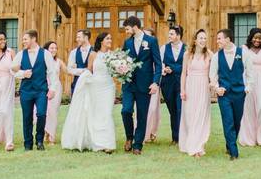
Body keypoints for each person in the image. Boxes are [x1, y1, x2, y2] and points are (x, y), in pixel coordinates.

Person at [61, 32, 117, 152]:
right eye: (108, 38)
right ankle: (98, 142)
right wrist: (84, 80)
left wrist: (122, 69)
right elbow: (89, 70)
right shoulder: (93, 55)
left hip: (108, 86)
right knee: (97, 114)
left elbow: (114, 72)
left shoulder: (113, 55)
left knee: (107, 113)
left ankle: (107, 144)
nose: (110, 40)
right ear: (101, 41)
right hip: (96, 87)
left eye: (110, 38)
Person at [209, 29, 254, 160]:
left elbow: (250, 72)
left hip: (240, 93)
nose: (217, 41)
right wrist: (217, 88)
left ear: (228, 39)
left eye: (219, 38)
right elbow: (212, 75)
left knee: (237, 122)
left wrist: (248, 87)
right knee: (228, 121)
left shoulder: (243, 53)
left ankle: (229, 144)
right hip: (224, 95)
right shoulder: (217, 56)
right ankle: (234, 152)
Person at [11, 30, 59, 151]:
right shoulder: (21, 54)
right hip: (26, 91)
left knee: (41, 114)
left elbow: (52, 72)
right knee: (27, 117)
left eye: (25, 39)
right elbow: (12, 70)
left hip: (41, 90)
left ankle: (39, 141)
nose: (23, 42)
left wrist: (52, 89)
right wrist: (23, 73)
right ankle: (28, 143)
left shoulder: (45, 54)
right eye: (23, 39)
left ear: (33, 39)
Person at [120, 16, 162, 155]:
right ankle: (129, 137)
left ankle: (137, 145)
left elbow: (158, 63)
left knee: (142, 115)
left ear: (134, 27)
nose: (126, 31)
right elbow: (122, 60)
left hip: (145, 84)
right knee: (125, 110)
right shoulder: (127, 43)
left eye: (127, 28)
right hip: (128, 83)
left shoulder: (151, 41)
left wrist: (155, 82)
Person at [178, 29, 212, 158]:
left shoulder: (209, 54)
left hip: (203, 87)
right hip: (190, 86)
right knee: (190, 117)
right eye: (201, 38)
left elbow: (215, 70)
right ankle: (190, 143)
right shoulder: (187, 54)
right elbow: (183, 73)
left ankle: (197, 146)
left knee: (201, 116)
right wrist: (182, 90)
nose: (203, 40)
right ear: (195, 40)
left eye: (205, 38)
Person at [159, 25, 185, 145]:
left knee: (180, 109)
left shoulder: (187, 48)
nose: (169, 36)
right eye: (169, 34)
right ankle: (175, 137)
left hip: (181, 83)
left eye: (172, 34)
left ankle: (181, 137)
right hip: (167, 84)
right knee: (172, 110)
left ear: (178, 36)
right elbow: (159, 63)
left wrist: (173, 69)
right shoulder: (164, 48)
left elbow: (187, 66)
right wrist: (164, 69)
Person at [43, 41, 65, 144]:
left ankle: (51, 136)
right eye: (51, 48)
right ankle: (44, 133)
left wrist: (78, 69)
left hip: (56, 88)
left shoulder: (59, 61)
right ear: (46, 49)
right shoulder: (42, 60)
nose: (54, 50)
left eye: (55, 48)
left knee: (53, 112)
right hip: (44, 87)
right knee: (44, 112)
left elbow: (67, 70)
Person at [67, 29, 93, 94]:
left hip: (92, 85)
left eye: (79, 37)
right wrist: (83, 70)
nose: (77, 39)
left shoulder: (95, 51)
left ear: (86, 37)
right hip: (77, 85)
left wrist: (76, 69)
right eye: (77, 37)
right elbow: (69, 69)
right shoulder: (73, 52)